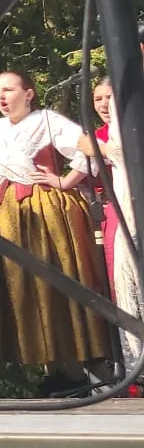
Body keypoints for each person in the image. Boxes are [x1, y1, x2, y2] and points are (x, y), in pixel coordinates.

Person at [0, 70, 109, 392]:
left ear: (28, 93)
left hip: (46, 212)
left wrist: (65, 181)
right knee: (26, 288)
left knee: (57, 282)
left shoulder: (48, 120)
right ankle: (51, 368)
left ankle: (78, 368)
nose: (2, 97)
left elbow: (90, 149)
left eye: (9, 89)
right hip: (7, 214)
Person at [85, 77, 144, 372]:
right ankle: (134, 364)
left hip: (132, 205)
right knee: (123, 280)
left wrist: (97, 148)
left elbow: (129, 154)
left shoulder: (130, 112)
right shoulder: (102, 131)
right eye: (98, 99)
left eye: (108, 97)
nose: (104, 104)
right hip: (116, 209)